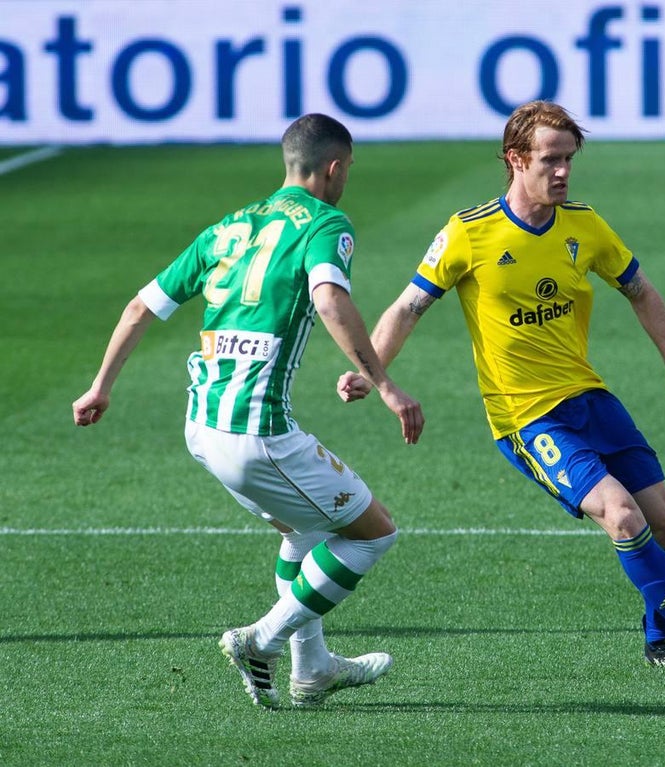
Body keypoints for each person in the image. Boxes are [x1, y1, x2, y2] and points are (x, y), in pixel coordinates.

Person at [345, 100, 665, 684]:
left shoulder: (584, 225)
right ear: (515, 159)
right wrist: (371, 371)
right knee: (622, 515)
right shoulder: (469, 233)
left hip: (591, 399)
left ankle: (658, 640)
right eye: (550, 160)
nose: (562, 172)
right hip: (527, 417)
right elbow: (407, 308)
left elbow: (642, 292)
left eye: (569, 160)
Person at [72, 113, 425, 709]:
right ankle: (261, 639)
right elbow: (330, 299)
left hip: (202, 429)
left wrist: (100, 385)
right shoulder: (326, 222)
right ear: (334, 168)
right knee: (373, 536)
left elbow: (140, 306)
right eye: (349, 170)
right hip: (258, 435)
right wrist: (384, 384)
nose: (348, 181)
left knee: (305, 527)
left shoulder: (227, 227)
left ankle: (311, 669)